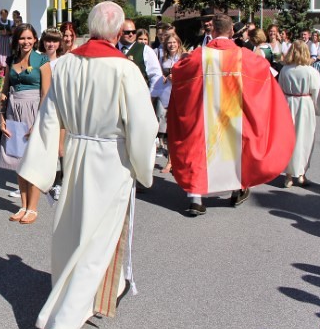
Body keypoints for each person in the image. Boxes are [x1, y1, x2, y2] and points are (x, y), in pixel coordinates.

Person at [18, 1, 158, 329]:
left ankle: (95, 289)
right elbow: (143, 125)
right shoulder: (125, 69)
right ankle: (65, 320)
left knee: (73, 230)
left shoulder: (65, 64)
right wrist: (143, 166)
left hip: (76, 151)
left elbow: (49, 117)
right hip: (112, 159)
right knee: (97, 240)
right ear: (118, 31)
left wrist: (41, 166)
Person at [167, 13, 296, 216]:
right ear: (232, 31)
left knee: (198, 149)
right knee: (236, 150)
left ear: (212, 31)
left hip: (204, 115)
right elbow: (266, 70)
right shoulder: (244, 56)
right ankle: (237, 190)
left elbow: (177, 71)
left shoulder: (198, 56)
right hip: (235, 114)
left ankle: (195, 199)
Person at [0, 24, 51, 224]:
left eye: (29, 38)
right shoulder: (11, 60)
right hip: (14, 110)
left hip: (34, 110)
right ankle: (23, 205)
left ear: (35, 39)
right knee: (18, 159)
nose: (26, 42)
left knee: (33, 160)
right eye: (22, 38)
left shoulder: (42, 60)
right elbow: (5, 90)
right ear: (17, 40)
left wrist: (38, 121)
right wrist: (1, 116)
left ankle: (33, 208)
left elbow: (46, 93)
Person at [279, 40, 320, 188]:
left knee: (288, 139)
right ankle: (301, 174)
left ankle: (288, 176)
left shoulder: (285, 70)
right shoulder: (311, 71)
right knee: (305, 139)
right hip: (305, 105)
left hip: (288, 103)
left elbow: (280, 89)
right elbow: (315, 92)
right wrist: (317, 109)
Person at [155, 33, 187, 174]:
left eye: (174, 42)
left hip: (181, 95)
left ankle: (180, 161)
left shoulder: (184, 56)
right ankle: (170, 161)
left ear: (178, 43)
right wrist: (162, 76)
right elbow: (156, 72)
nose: (172, 45)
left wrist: (178, 76)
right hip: (166, 93)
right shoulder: (162, 57)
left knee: (181, 130)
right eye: (169, 43)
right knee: (169, 130)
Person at [39, 27, 64, 200]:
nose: (51, 44)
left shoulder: (62, 62)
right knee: (43, 144)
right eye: (48, 40)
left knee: (60, 148)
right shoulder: (38, 60)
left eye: (54, 41)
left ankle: (59, 182)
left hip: (58, 107)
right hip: (41, 105)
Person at [117, 19, 163, 90]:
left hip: (139, 94)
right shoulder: (112, 48)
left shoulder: (146, 50)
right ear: (119, 32)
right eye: (127, 32)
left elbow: (155, 75)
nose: (131, 34)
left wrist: (151, 94)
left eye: (134, 32)